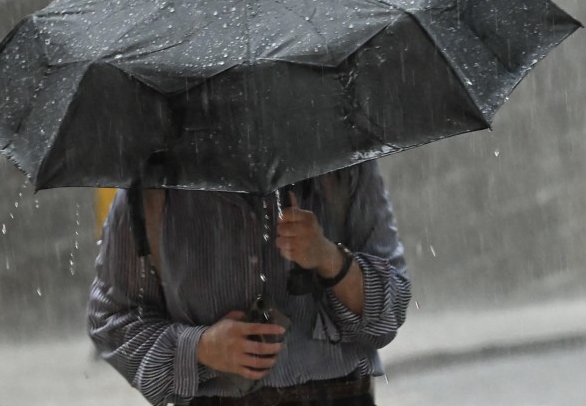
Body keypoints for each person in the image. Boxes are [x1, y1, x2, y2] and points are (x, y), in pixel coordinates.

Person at [87, 160, 410, 406]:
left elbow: (390, 313)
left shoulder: (343, 165)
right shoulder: (152, 187)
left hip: (341, 396)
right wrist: (200, 348)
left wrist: (330, 259)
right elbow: (112, 320)